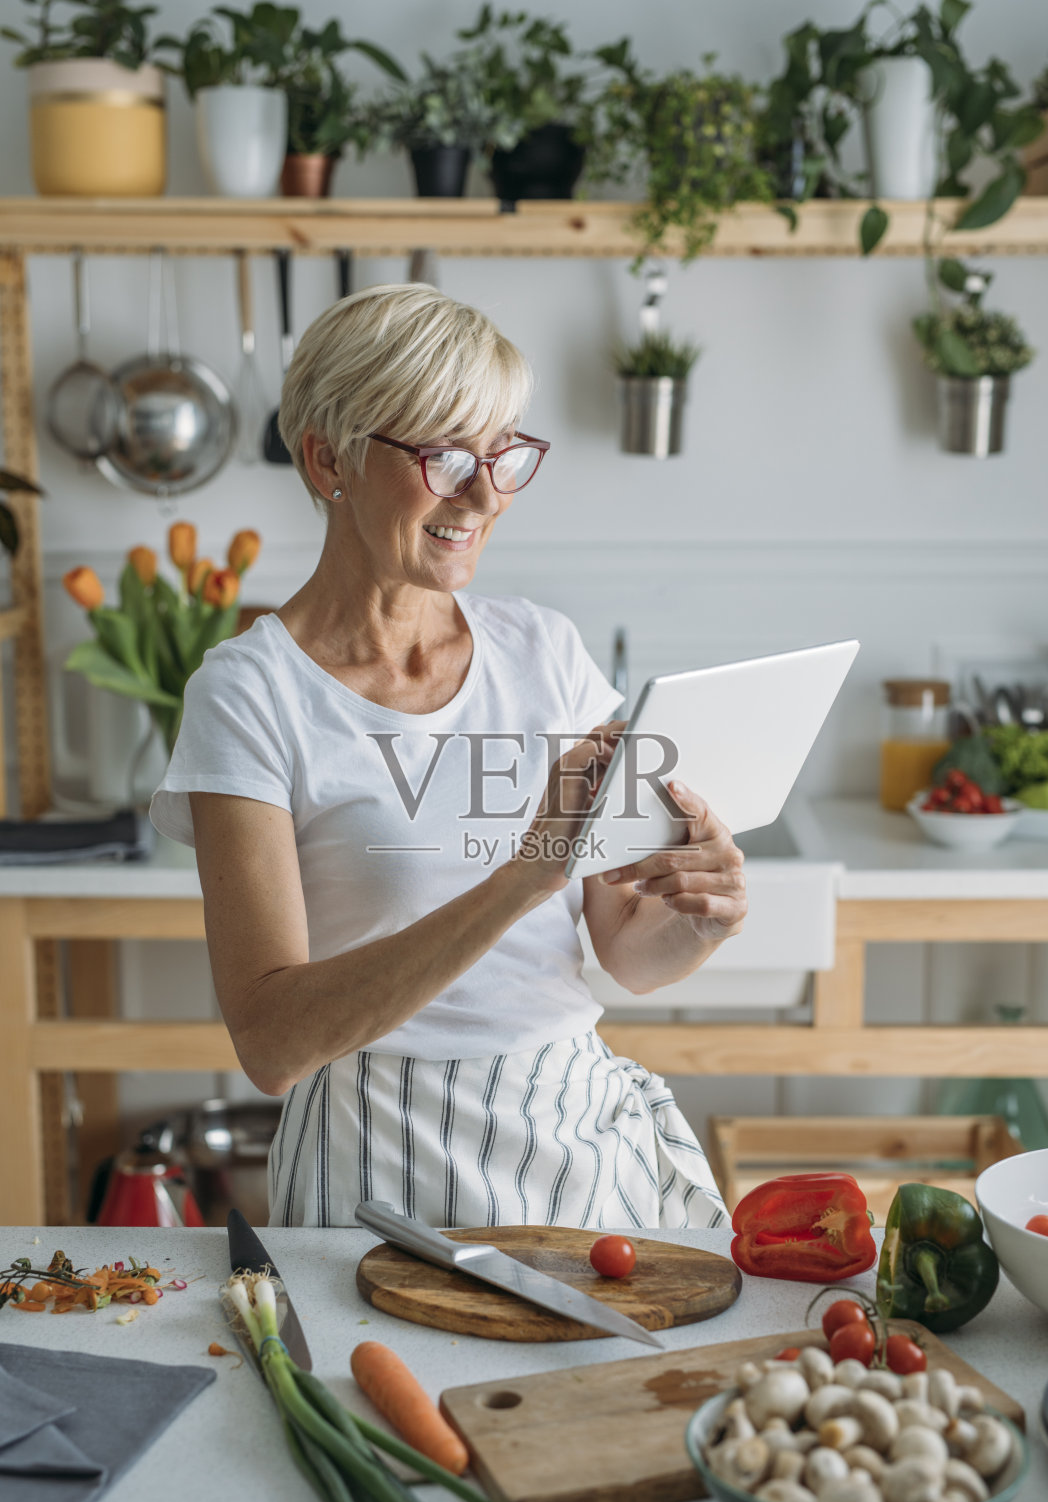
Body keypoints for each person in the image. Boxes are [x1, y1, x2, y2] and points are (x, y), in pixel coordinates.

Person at [149, 283, 748, 1230]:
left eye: (503, 454)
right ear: (326, 458)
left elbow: (625, 953)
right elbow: (271, 1041)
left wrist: (697, 918)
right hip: (379, 1152)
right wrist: (525, 873)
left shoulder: (542, 650)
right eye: (443, 455)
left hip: (577, 1135)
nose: (481, 494)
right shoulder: (250, 693)